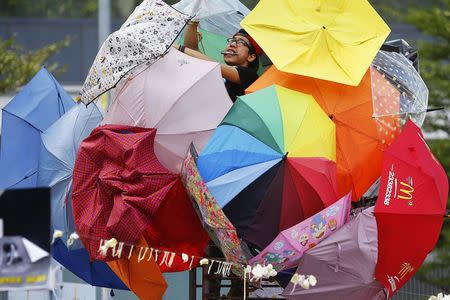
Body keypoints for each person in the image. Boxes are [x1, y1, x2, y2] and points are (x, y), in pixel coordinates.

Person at [173, 21, 262, 101]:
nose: (232, 44)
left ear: (251, 57)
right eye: (232, 40)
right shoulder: (225, 76)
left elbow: (211, 65)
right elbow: (191, 49)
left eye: (241, 42)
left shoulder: (251, 76)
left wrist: (180, 48)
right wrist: (194, 21)